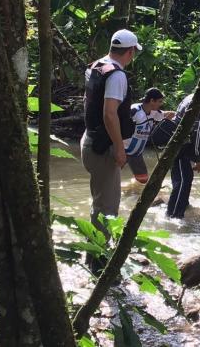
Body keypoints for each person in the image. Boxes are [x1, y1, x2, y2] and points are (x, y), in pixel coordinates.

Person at [81, 29, 140, 270]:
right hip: (104, 148)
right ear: (129, 52)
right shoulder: (117, 76)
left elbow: (89, 103)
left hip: (90, 142)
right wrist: (119, 148)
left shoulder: (96, 66)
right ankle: (99, 262)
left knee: (99, 202)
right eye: (133, 53)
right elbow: (109, 113)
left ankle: (92, 253)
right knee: (108, 207)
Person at [166, 82, 200, 219]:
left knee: (182, 178)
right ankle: (174, 216)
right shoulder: (199, 105)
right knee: (183, 181)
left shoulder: (192, 97)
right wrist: (197, 158)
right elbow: (197, 133)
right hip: (182, 147)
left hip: (176, 143)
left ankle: (178, 210)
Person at [125, 88, 175, 184]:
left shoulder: (154, 113)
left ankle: (132, 190)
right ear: (152, 100)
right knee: (111, 178)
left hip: (136, 154)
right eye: (159, 101)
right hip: (123, 150)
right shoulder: (134, 111)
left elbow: (165, 114)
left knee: (143, 180)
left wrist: (174, 114)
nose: (161, 104)